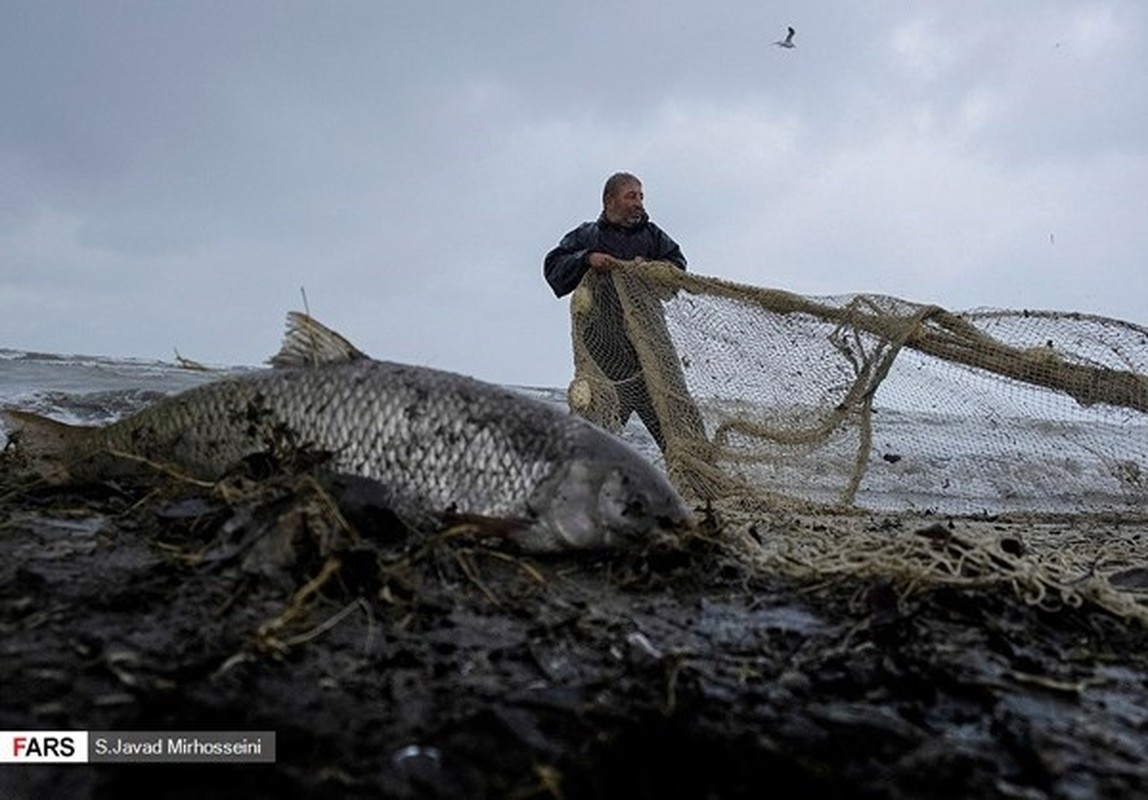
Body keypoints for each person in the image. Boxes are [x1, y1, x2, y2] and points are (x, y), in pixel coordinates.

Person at [543, 172, 689, 451]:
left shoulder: (654, 237)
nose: (639, 203)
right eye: (631, 196)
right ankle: (582, 492)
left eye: (641, 196)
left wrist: (651, 267)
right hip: (604, 359)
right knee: (594, 442)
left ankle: (696, 493)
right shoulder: (587, 236)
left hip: (651, 354)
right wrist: (586, 259)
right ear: (609, 200)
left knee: (678, 434)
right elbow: (553, 268)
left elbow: (678, 267)